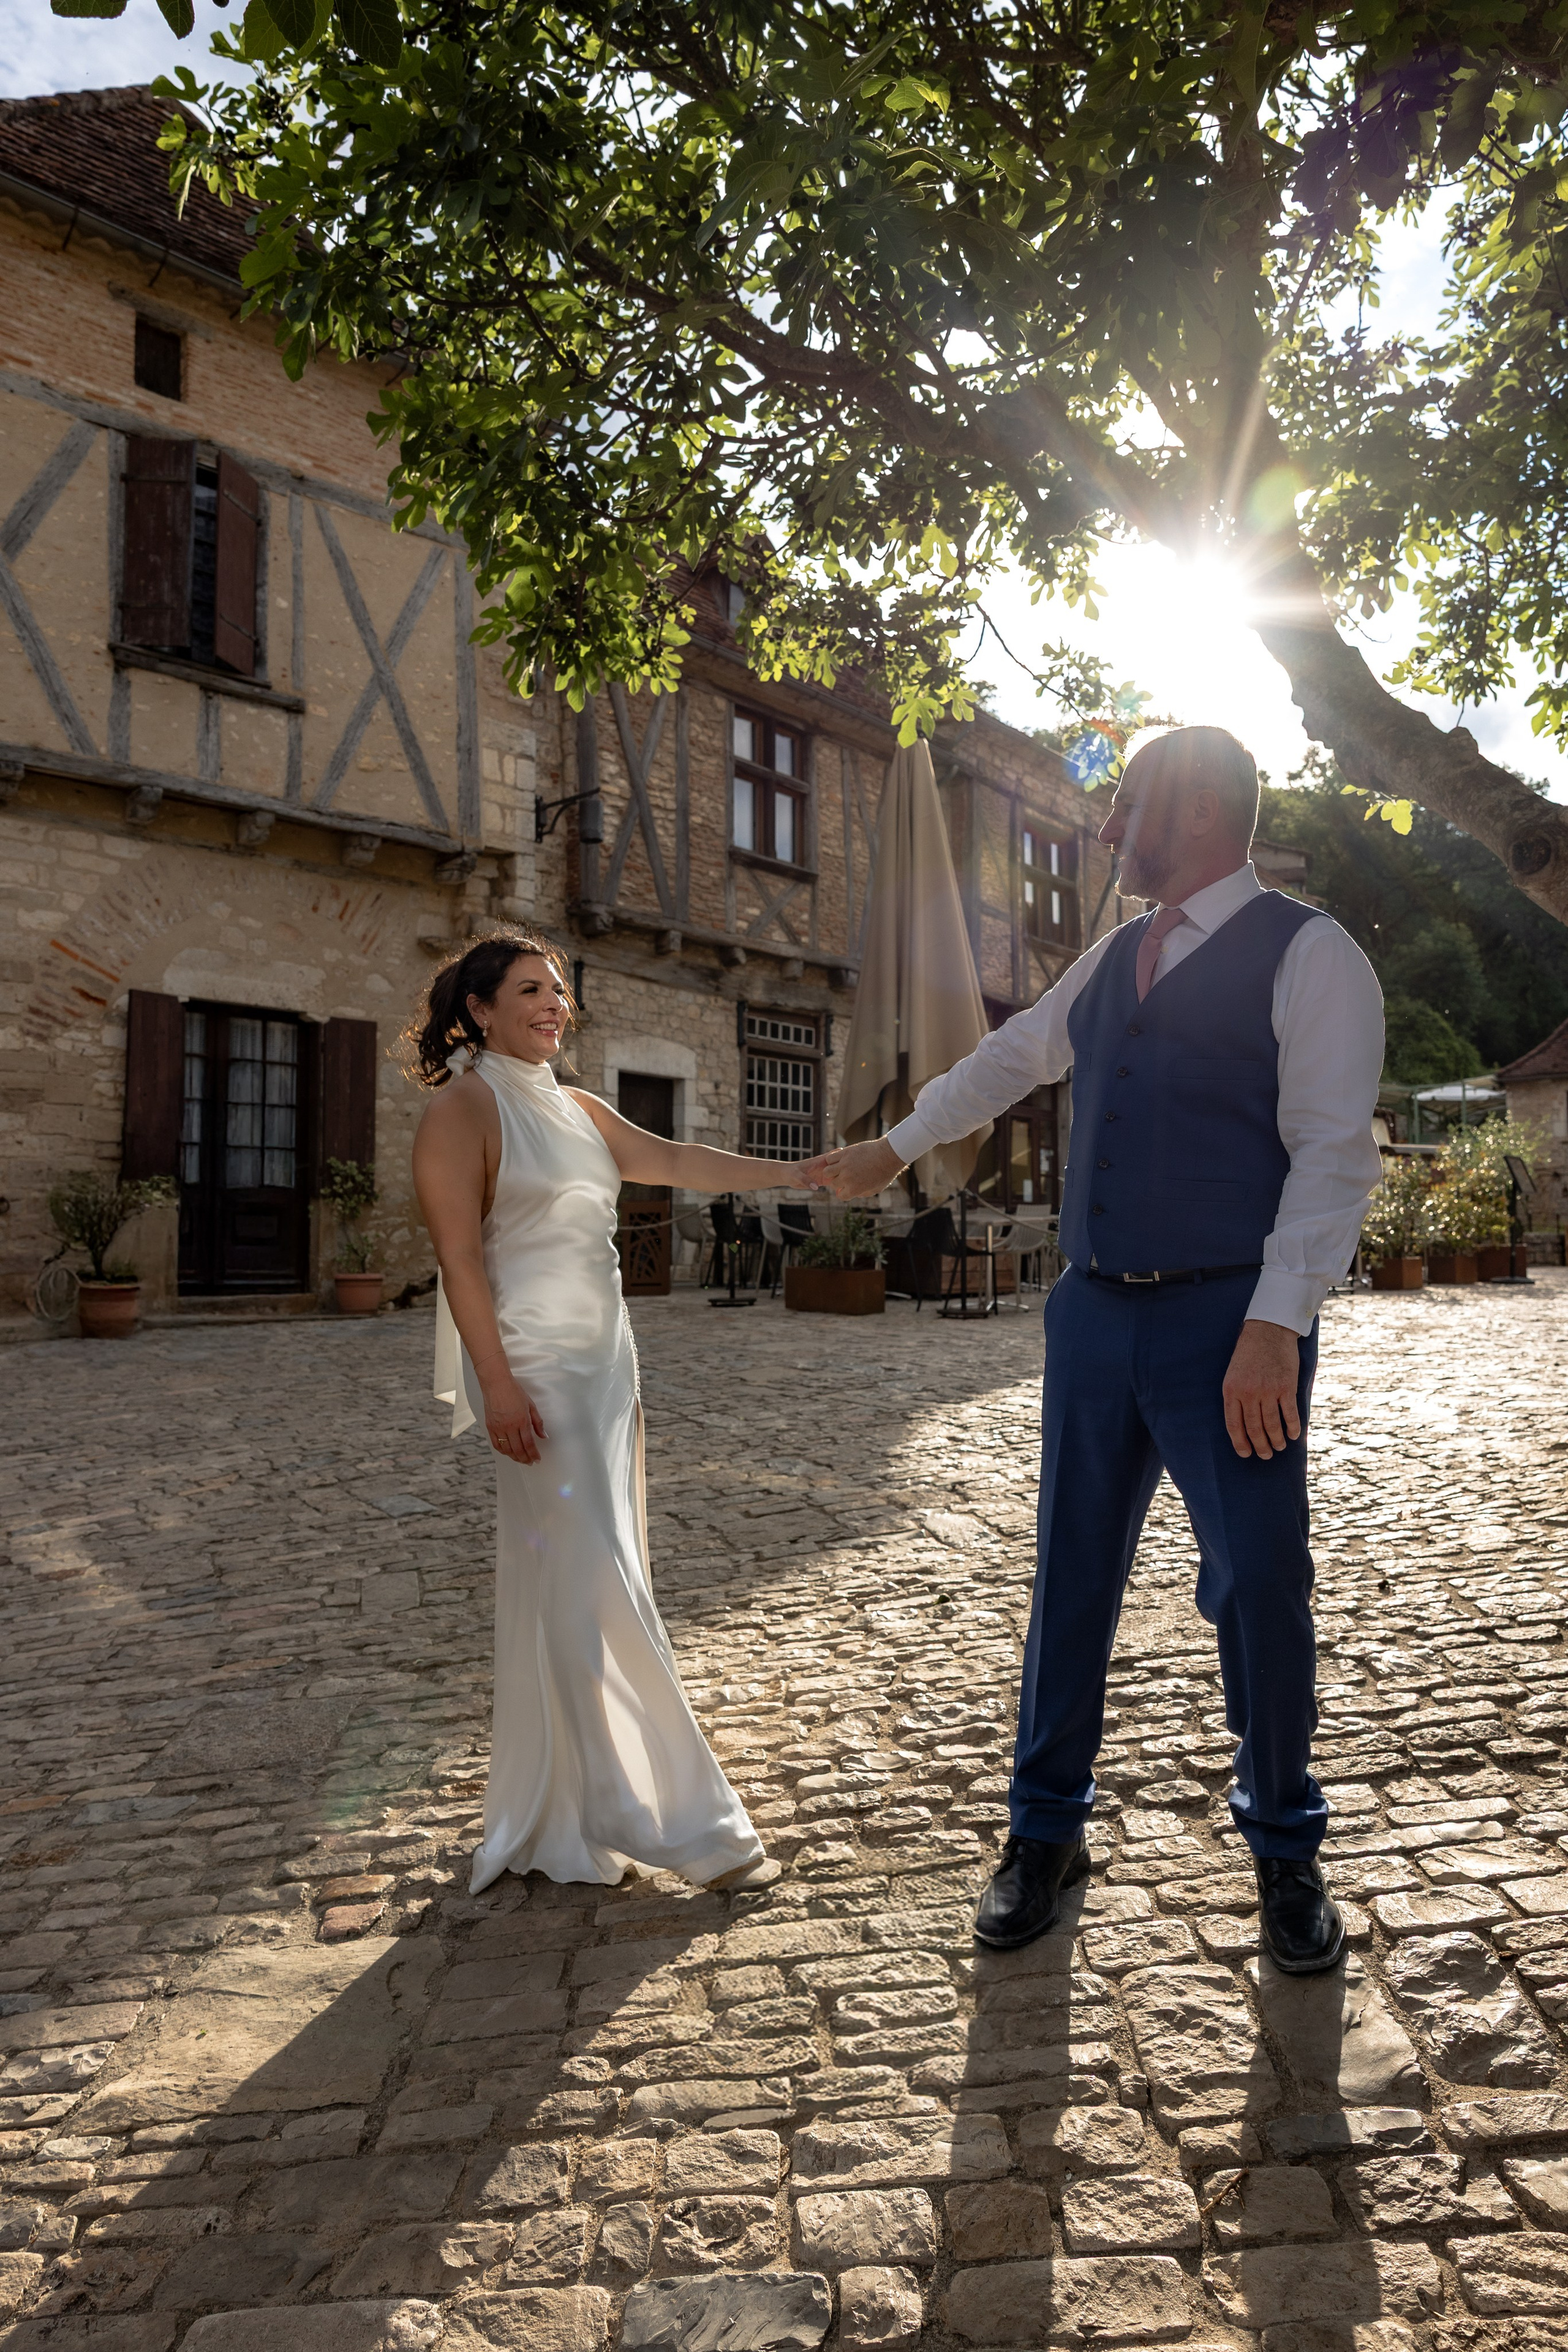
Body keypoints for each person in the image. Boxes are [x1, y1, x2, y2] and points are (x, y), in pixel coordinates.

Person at [802, 726, 1384, 1973]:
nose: (1111, 833)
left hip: (1229, 1325)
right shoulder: (1112, 955)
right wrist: (893, 1146)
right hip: (1088, 1316)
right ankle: (1043, 1833)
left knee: (1258, 1588)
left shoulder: (1310, 954)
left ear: (1198, 810)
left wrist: (1274, 1326)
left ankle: (1285, 1849)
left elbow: (1333, 1153)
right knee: (1068, 1575)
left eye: (1127, 811)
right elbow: (1009, 1059)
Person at [410, 930, 804, 1893]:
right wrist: (495, 1384)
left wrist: (796, 1173)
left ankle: (573, 1804)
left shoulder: (579, 1105)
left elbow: (672, 1160)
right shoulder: (461, 1113)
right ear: (479, 1011)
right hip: (536, 1372)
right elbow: (461, 1263)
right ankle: (676, 1817)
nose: (554, 1005)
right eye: (530, 990)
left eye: (558, 991)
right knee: (595, 1577)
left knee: (601, 1569)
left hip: (607, 1366)